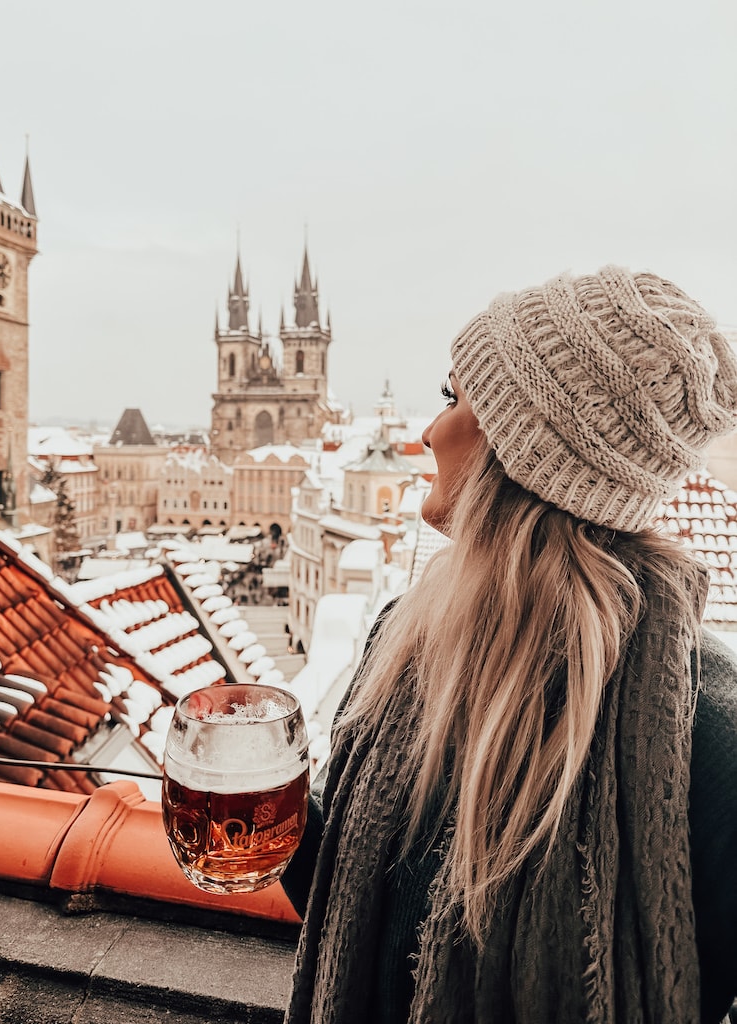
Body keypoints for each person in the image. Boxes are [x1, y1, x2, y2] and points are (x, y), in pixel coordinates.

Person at [282, 266, 737, 1024]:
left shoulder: (708, 728)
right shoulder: (404, 639)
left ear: (527, 453)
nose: (428, 433)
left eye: (454, 399)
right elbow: (353, 905)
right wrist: (273, 813)